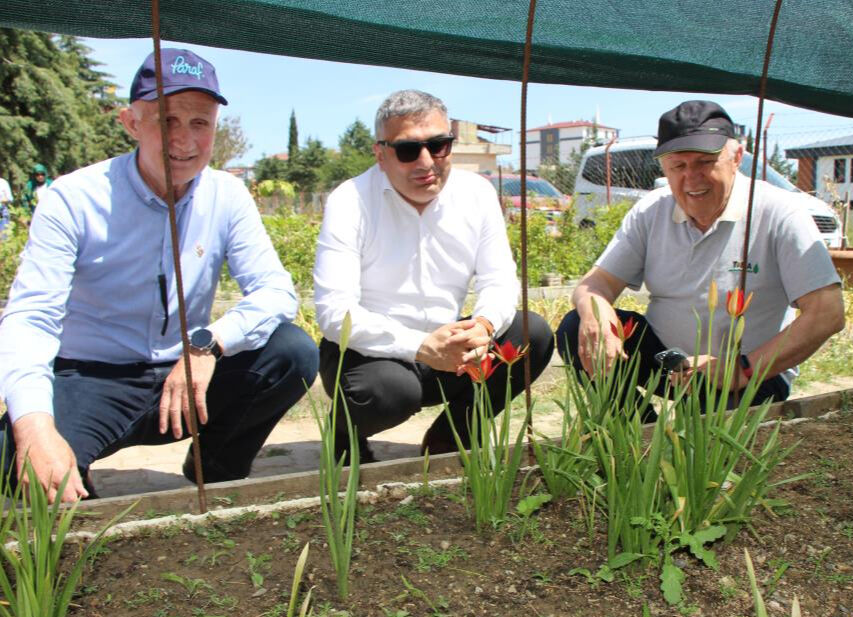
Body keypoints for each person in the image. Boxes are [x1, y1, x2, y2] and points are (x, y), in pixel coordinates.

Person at [0, 48, 318, 503]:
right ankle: (74, 480)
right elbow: (31, 318)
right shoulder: (73, 199)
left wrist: (206, 344)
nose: (184, 140)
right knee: (14, 456)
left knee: (292, 352)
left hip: (186, 376)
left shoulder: (226, 194)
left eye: (199, 123)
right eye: (166, 120)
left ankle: (219, 465)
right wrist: (33, 428)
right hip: (91, 378)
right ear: (131, 123)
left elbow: (276, 292)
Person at [313, 90, 554, 462]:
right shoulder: (350, 201)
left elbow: (499, 280)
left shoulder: (477, 193)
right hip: (370, 353)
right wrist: (422, 346)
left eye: (439, 145)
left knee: (531, 335)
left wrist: (484, 325)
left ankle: (450, 434)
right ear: (380, 154)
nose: (427, 162)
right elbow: (334, 313)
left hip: (448, 346)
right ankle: (346, 436)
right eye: (408, 150)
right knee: (386, 391)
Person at [557, 100, 844, 408]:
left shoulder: (779, 213)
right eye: (678, 166)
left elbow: (827, 312)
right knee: (575, 328)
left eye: (705, 162)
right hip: (670, 360)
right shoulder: (652, 210)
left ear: (736, 158)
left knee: (706, 442)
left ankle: (684, 432)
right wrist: (595, 315)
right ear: (664, 168)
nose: (691, 178)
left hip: (750, 372)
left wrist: (742, 369)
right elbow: (595, 284)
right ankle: (638, 438)